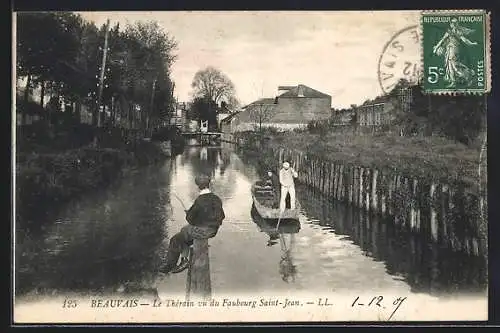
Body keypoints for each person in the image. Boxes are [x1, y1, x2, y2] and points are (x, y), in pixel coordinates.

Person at [161, 174, 225, 274]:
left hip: (202, 231)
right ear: (209, 185)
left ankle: (171, 266)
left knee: (176, 239)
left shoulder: (199, 200)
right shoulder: (217, 199)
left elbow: (190, 220)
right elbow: (221, 217)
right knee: (184, 234)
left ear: (198, 187)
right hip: (213, 231)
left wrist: (189, 214)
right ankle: (184, 260)